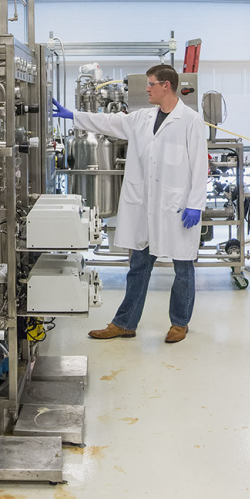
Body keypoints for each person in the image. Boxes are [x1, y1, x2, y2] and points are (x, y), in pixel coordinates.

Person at [51, 64, 208, 343]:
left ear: (166, 86)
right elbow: (108, 123)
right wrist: (72, 115)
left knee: (183, 267)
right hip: (144, 207)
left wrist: (195, 203)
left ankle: (180, 323)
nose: (147, 89)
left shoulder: (191, 120)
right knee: (138, 266)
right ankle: (125, 323)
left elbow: (198, 166)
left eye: (151, 84)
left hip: (177, 208)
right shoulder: (141, 118)